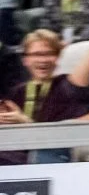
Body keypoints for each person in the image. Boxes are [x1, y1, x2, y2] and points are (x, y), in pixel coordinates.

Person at [0, 31, 82, 165]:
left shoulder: (67, 87)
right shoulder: (16, 92)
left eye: (49, 54)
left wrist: (25, 122)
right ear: (25, 60)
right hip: (15, 155)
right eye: (37, 54)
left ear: (58, 58)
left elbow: (60, 137)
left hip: (51, 158)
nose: (43, 60)